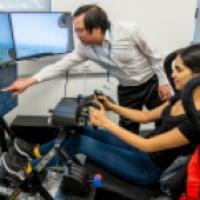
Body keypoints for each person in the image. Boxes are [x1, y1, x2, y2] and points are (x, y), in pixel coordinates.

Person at [30, 44, 200, 186]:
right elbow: (144, 117)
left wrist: (106, 123)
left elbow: (148, 145)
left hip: (148, 169)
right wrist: (112, 106)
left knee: (77, 142)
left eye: (179, 70)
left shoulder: (194, 120)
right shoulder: (181, 98)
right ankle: (34, 152)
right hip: (141, 151)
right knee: (79, 130)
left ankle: (26, 172)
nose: (172, 75)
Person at [3, 4, 171, 134]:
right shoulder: (84, 48)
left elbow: (156, 56)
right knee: (127, 129)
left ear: (97, 28)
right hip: (127, 89)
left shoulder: (129, 30)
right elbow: (60, 66)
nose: (77, 35)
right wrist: (29, 81)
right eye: (75, 30)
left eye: (80, 30)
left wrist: (163, 82)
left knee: (164, 121)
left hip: (152, 83)